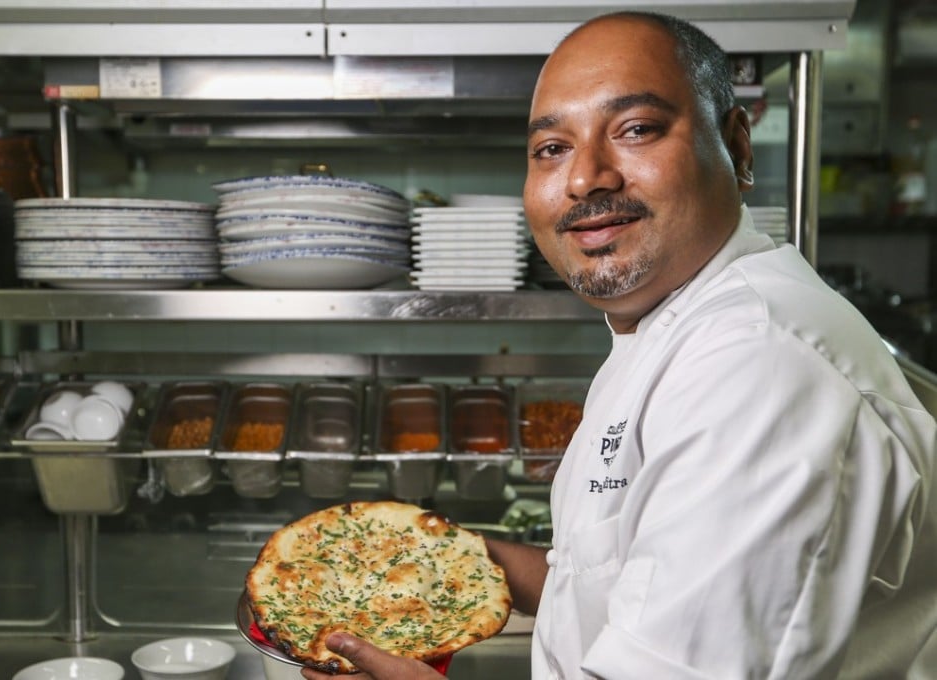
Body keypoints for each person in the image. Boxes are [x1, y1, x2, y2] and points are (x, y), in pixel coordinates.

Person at [301, 11, 937, 680]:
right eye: (552, 148)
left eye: (636, 130)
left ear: (738, 148)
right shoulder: (668, 328)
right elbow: (632, 596)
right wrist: (459, 561)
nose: (585, 178)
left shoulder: (757, 367)